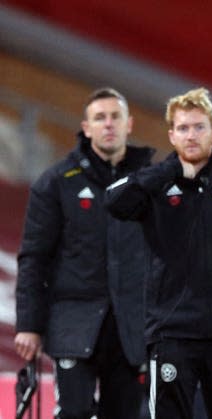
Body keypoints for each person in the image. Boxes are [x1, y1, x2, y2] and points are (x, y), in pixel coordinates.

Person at [14, 87, 153, 419]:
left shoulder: (148, 183)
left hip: (131, 327)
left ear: (129, 124)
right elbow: (34, 256)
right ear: (86, 127)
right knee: (73, 411)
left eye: (115, 117)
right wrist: (29, 324)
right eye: (99, 118)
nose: (108, 124)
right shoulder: (56, 183)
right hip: (73, 324)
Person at [105, 87, 212, 419]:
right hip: (171, 332)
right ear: (171, 135)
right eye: (182, 128)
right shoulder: (156, 186)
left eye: (198, 127)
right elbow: (115, 201)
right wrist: (169, 171)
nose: (191, 135)